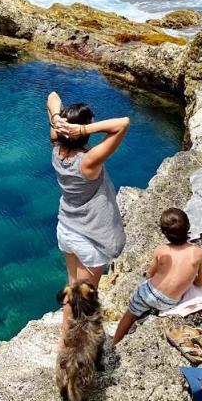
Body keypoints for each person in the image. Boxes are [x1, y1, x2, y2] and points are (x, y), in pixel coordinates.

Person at [47, 91, 129, 307]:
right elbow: (123, 123)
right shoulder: (89, 161)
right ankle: (78, 340)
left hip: (66, 228)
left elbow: (52, 97)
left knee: (72, 289)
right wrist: (84, 128)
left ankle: (65, 340)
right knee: (84, 301)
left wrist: (57, 120)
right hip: (88, 238)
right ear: (82, 131)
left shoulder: (56, 147)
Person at [112, 208, 202, 345]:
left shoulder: (161, 250)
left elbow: (150, 273)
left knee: (129, 316)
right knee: (152, 301)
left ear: (164, 232)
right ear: (188, 227)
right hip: (168, 302)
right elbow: (201, 283)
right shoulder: (198, 253)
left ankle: (115, 342)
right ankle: (148, 310)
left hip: (148, 294)